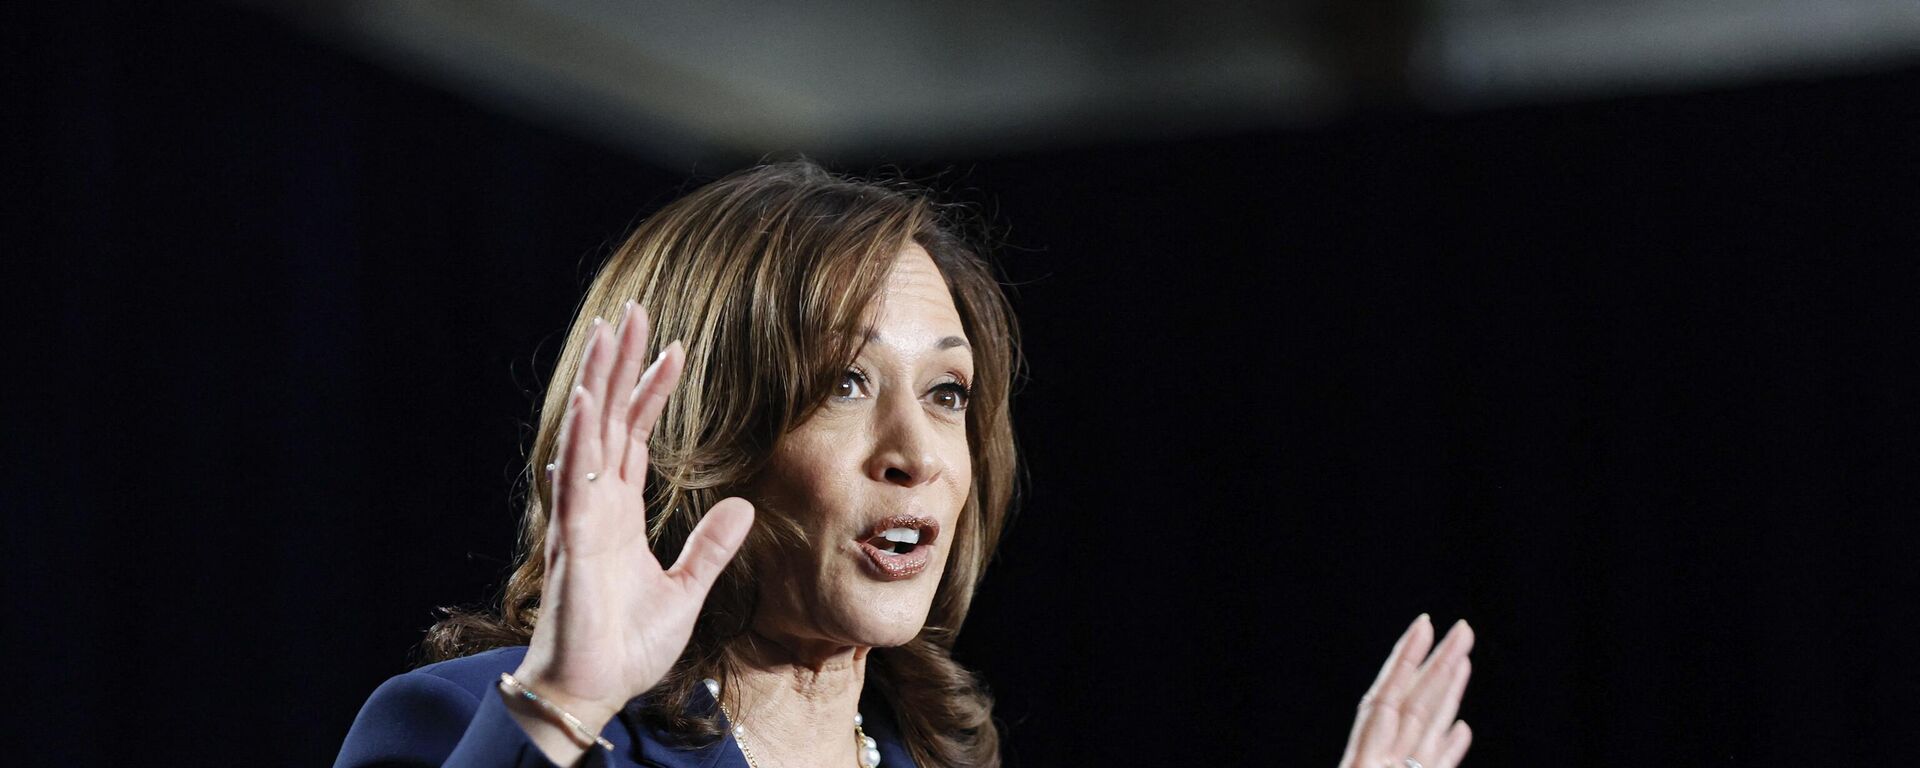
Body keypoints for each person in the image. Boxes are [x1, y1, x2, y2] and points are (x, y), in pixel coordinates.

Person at [334, 160, 1476, 768]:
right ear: (706, 427)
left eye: (945, 394)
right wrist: (565, 706)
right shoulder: (474, 725)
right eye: (842, 384)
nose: (918, 455)